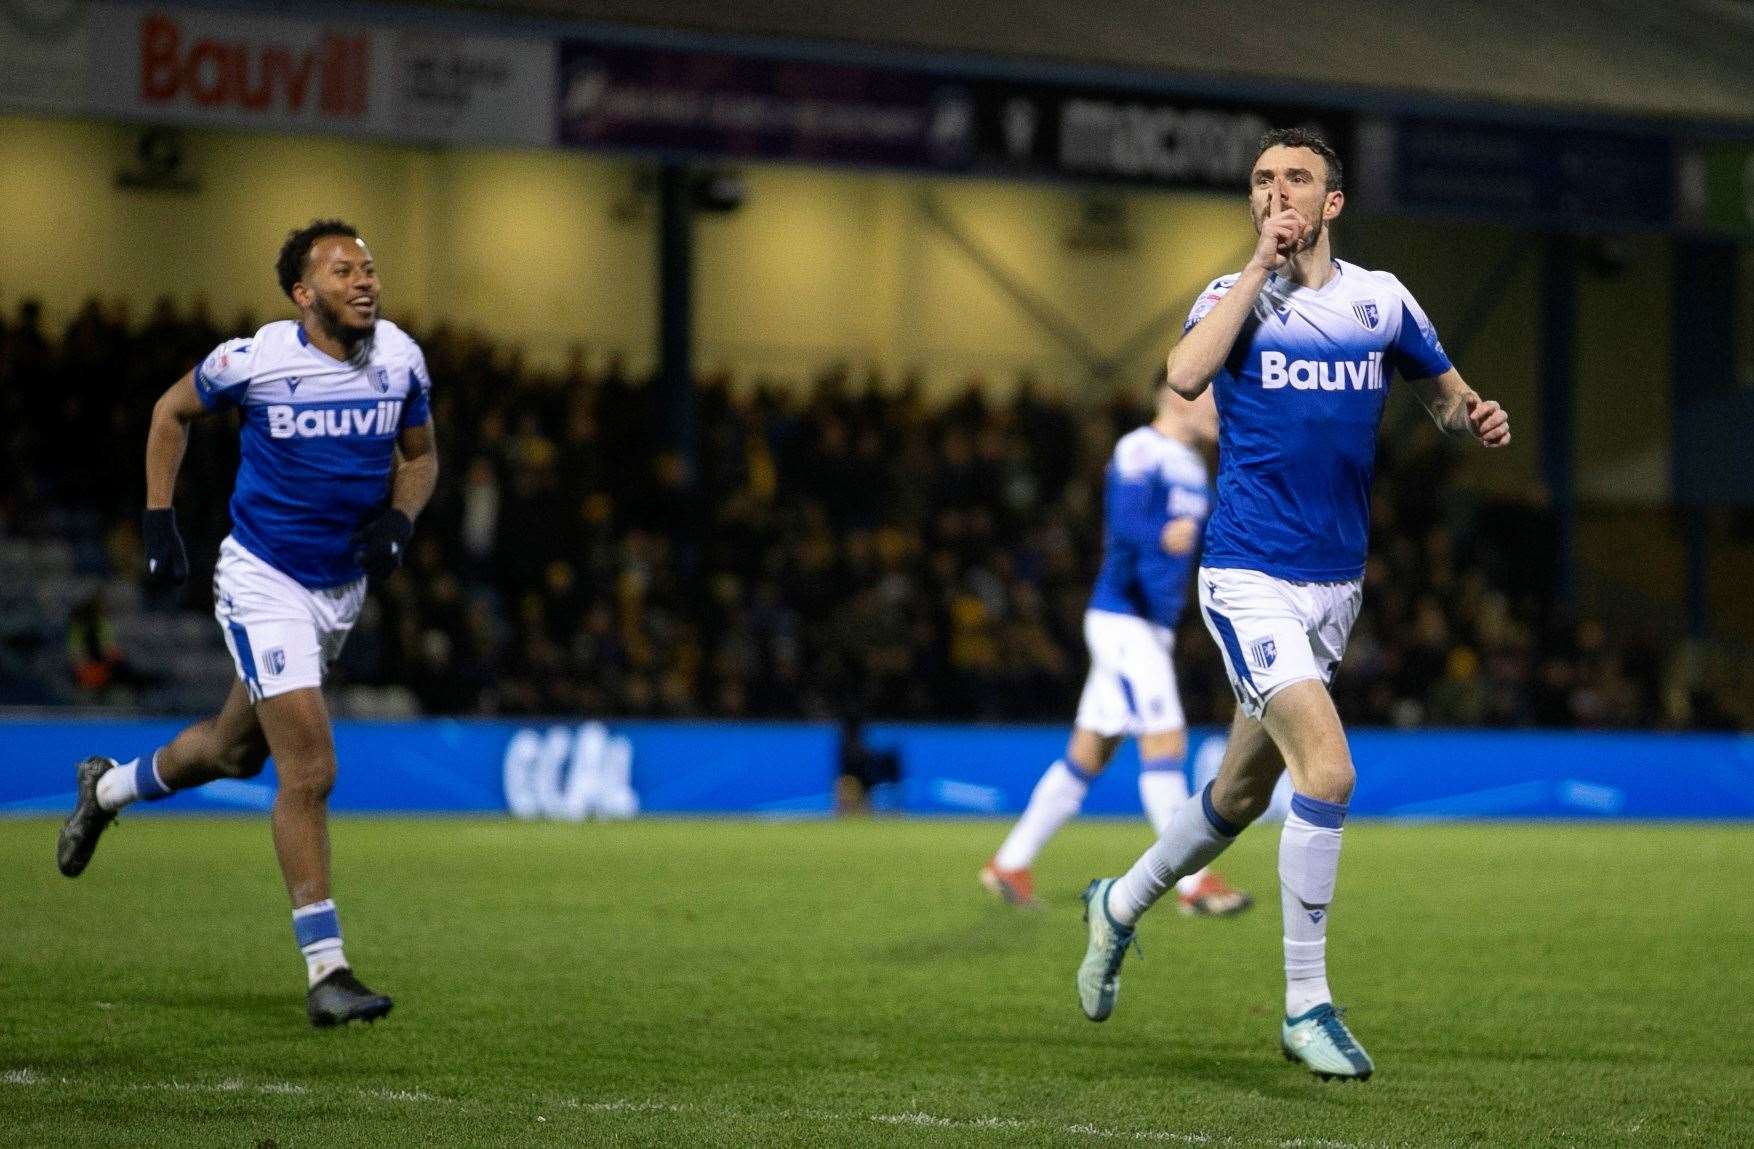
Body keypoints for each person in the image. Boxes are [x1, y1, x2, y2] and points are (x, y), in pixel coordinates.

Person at [1074, 129, 1510, 1081]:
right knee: (1331, 768)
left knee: (1239, 793)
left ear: (1333, 202)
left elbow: (1440, 390)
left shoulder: (1379, 299)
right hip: (1247, 576)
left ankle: (1117, 902)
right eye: (1263, 181)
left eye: (1296, 180)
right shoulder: (1229, 301)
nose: (1277, 194)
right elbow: (1184, 377)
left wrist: (1470, 412)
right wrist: (1253, 271)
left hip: (1333, 586)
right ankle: (1306, 1004)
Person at [55, 220, 439, 1028]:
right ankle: (327, 968)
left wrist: (401, 521)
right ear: (304, 294)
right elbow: (169, 412)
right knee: (310, 770)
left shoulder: (401, 357)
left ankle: (108, 787)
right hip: (265, 580)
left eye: (369, 267)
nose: (365, 280)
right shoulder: (255, 359)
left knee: (233, 750)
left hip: (338, 591)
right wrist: (160, 523)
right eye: (343, 271)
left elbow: (421, 455)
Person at [980, 370, 1250, 917]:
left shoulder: (1195, 466)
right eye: (1213, 400)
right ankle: (1192, 883)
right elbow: (1123, 524)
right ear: (1181, 396)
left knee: (1088, 754)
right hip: (1124, 619)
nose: (1220, 410)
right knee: (1166, 743)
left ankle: (1009, 863)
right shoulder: (1140, 448)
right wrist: (1163, 536)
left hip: (1150, 625)